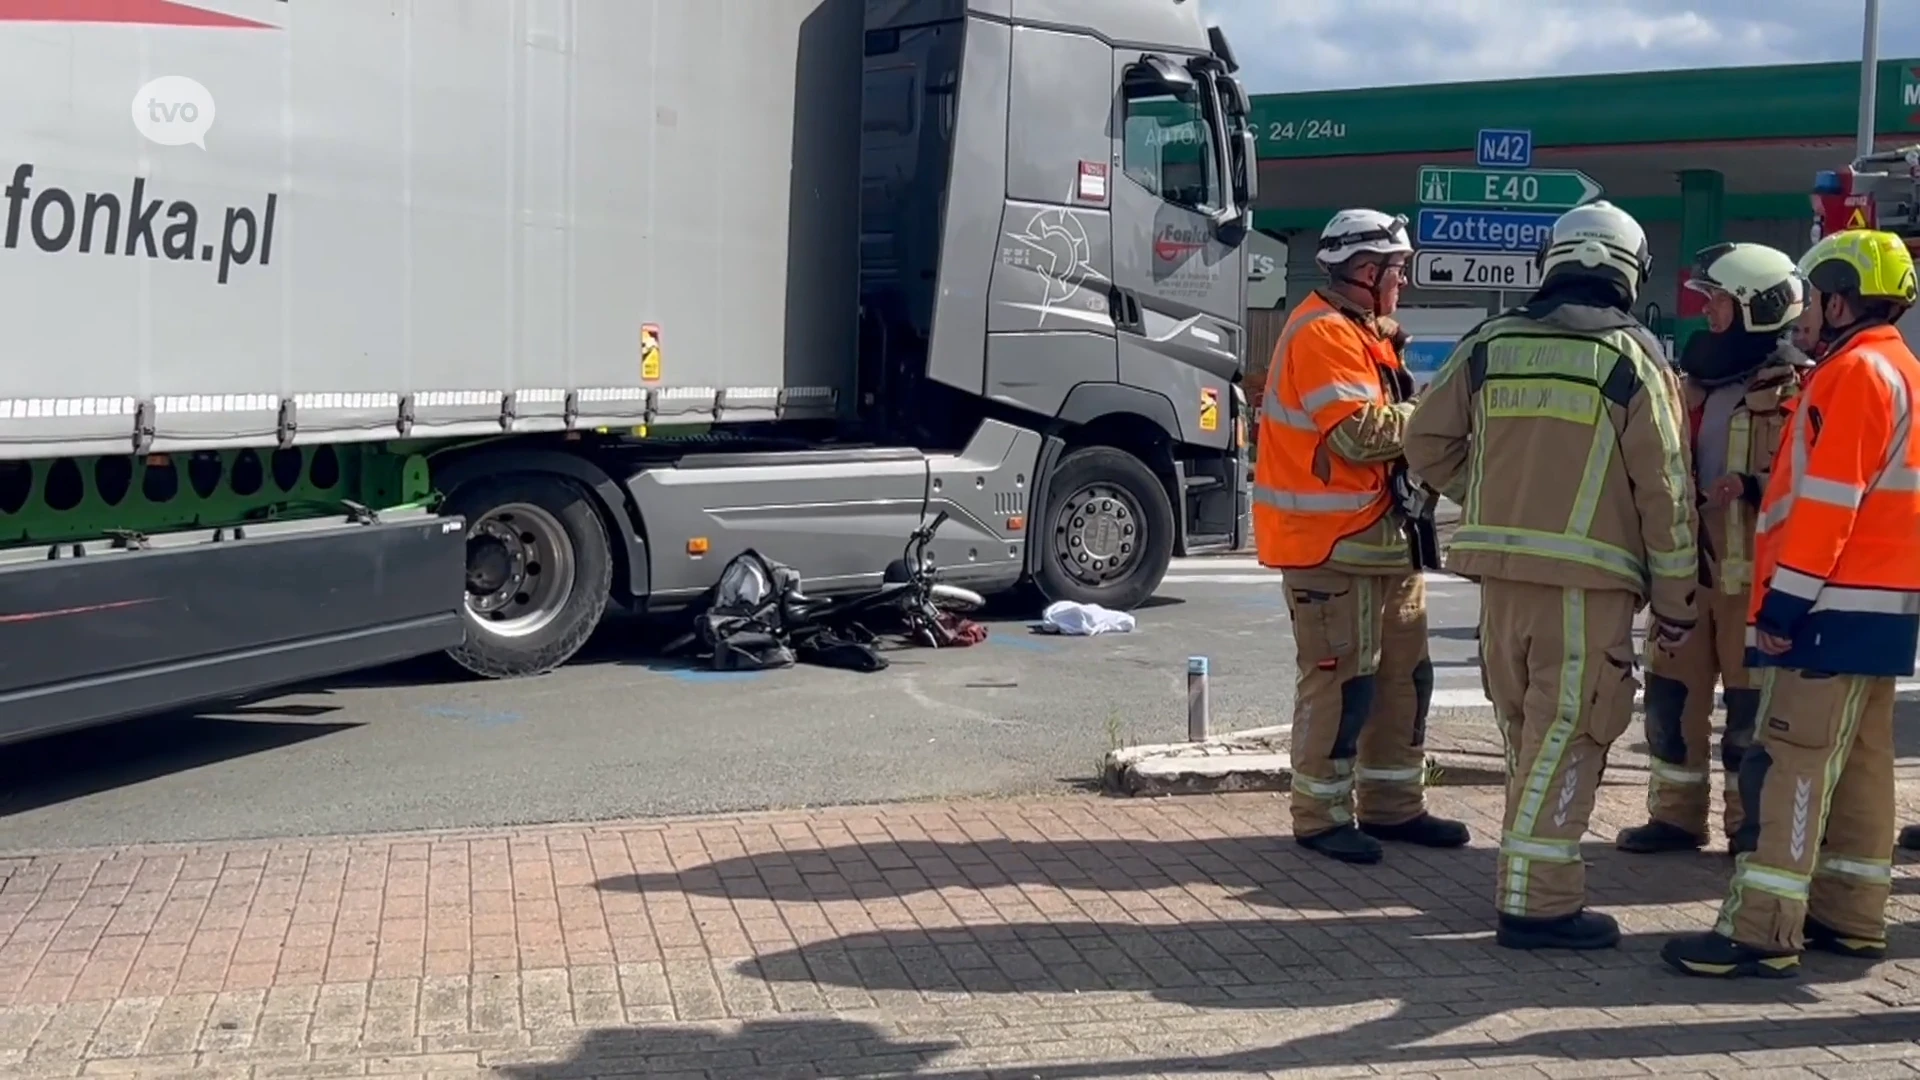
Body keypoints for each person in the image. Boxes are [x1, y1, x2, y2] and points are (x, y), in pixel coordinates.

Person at [1403, 200, 1696, 951]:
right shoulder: (1631, 359)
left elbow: (1424, 440)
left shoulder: (1491, 343)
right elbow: (1665, 491)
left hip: (1500, 581)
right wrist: (1678, 602)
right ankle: (1539, 901)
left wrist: (1493, 494)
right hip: (1587, 587)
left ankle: (1520, 881)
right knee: (1568, 734)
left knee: (1524, 735)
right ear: (1628, 270)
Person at [1664, 229, 1920, 979]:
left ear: (1839, 299)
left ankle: (1762, 930)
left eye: (1813, 299)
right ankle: (1852, 918)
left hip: (1822, 607)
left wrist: (1783, 607)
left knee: (1790, 765)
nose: (1803, 315)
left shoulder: (1852, 376)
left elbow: (1827, 503)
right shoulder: (1902, 368)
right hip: (1879, 607)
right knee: (1865, 766)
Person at [1252, 208, 1469, 866]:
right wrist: (1433, 414)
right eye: (1397, 270)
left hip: (1383, 544)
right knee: (1342, 685)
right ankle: (1319, 816)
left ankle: (1393, 806)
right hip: (1330, 548)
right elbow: (1357, 435)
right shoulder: (1322, 333)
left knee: (1406, 680)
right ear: (1366, 272)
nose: (1403, 282)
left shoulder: (1367, 333)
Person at [1615, 243, 1809, 857]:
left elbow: (1812, 477)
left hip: (1756, 585)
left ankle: (1748, 825)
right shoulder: (1688, 385)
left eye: (1719, 303)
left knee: (1750, 717)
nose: (1709, 315)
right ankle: (1675, 817)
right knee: (1671, 702)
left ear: (1758, 308)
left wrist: (1749, 486)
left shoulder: (1798, 387)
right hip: (1689, 575)